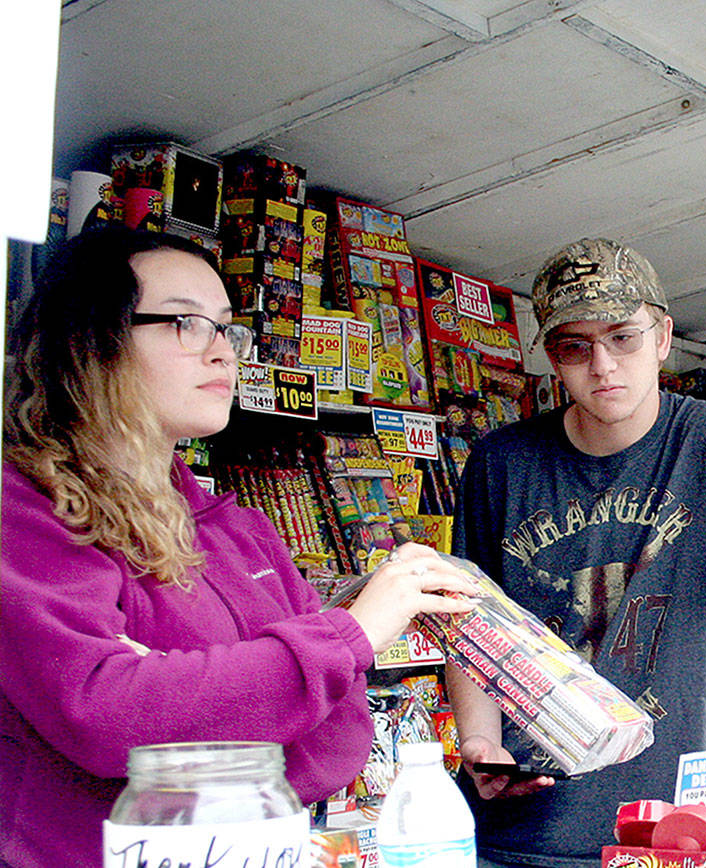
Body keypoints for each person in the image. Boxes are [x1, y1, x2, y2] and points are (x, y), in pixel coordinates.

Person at [0, 226, 482, 868]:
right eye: (185, 323)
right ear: (93, 342)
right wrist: (338, 642)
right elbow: (104, 713)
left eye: (227, 328)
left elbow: (341, 741)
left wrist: (193, 695)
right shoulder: (25, 509)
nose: (222, 353)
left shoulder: (243, 532)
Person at [448, 237, 706, 867]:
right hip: (520, 831)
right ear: (551, 358)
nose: (602, 365)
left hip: (670, 831)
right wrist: (480, 740)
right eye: (576, 345)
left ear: (663, 337)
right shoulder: (499, 463)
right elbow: (468, 624)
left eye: (623, 337)